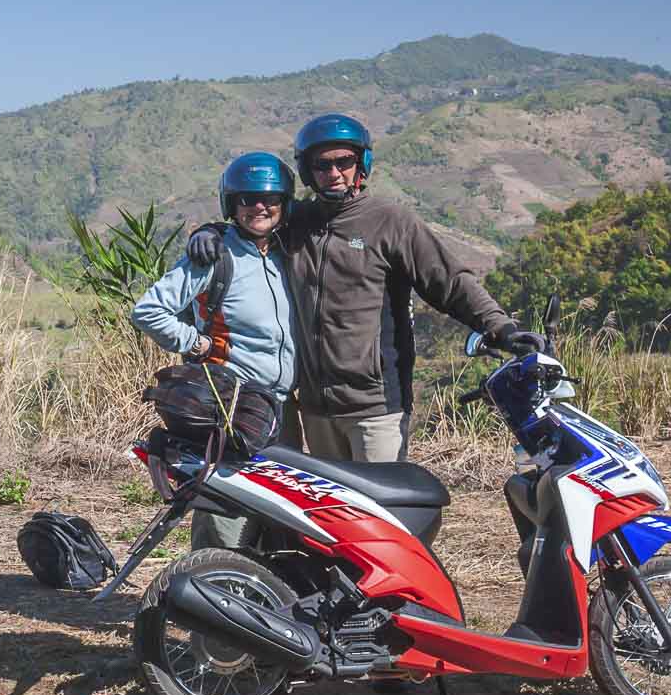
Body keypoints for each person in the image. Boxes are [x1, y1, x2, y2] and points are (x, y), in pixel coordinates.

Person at [186, 113, 542, 464]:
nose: (334, 173)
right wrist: (211, 231)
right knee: (332, 515)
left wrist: (502, 328)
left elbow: (450, 283)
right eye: (322, 165)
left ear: (362, 164)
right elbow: (253, 220)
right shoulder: (297, 222)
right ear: (309, 171)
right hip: (315, 408)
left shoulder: (390, 222)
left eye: (344, 161)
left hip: (376, 406)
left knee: (380, 512)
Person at [131, 151, 298, 550]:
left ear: (284, 203)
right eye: (247, 199)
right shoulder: (214, 255)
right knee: (226, 510)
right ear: (231, 204)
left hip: (281, 407)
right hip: (232, 405)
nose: (260, 206)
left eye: (270, 198)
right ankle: (208, 594)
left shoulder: (284, 254)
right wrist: (196, 342)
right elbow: (149, 310)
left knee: (276, 514)